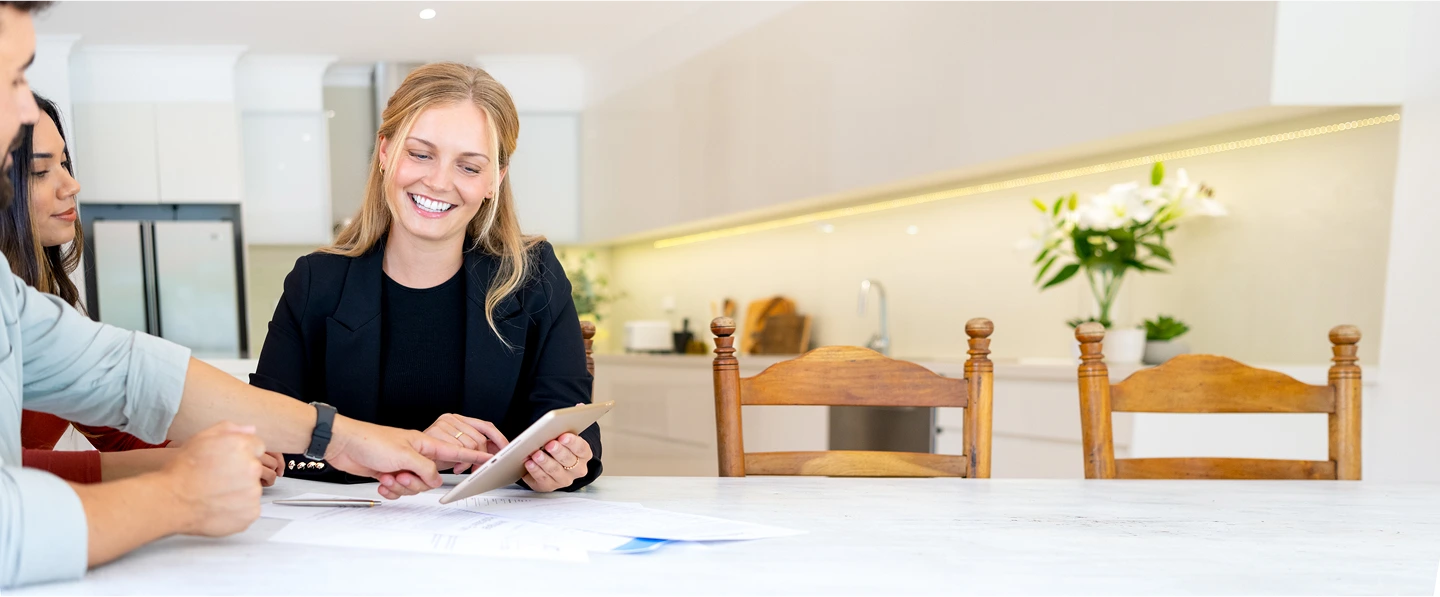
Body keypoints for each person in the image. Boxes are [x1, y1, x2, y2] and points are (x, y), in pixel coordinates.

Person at [0, 4, 490, 589]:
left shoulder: (12, 301)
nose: (27, 106)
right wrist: (176, 492)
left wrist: (343, 438)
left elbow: (122, 373)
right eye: (13, 77)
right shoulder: (319, 279)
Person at [252, 62, 600, 495]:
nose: (438, 182)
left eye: (469, 167)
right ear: (385, 152)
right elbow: (269, 443)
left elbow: (574, 433)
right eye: (420, 154)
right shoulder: (316, 282)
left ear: (495, 179)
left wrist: (562, 463)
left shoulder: (534, 276)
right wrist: (404, 454)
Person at [2, 93, 286, 484]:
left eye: (65, 163)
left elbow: (105, 417)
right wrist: (172, 464)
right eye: (40, 171)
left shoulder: (42, 305)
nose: (71, 185)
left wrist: (201, 448)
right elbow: (8, 471)